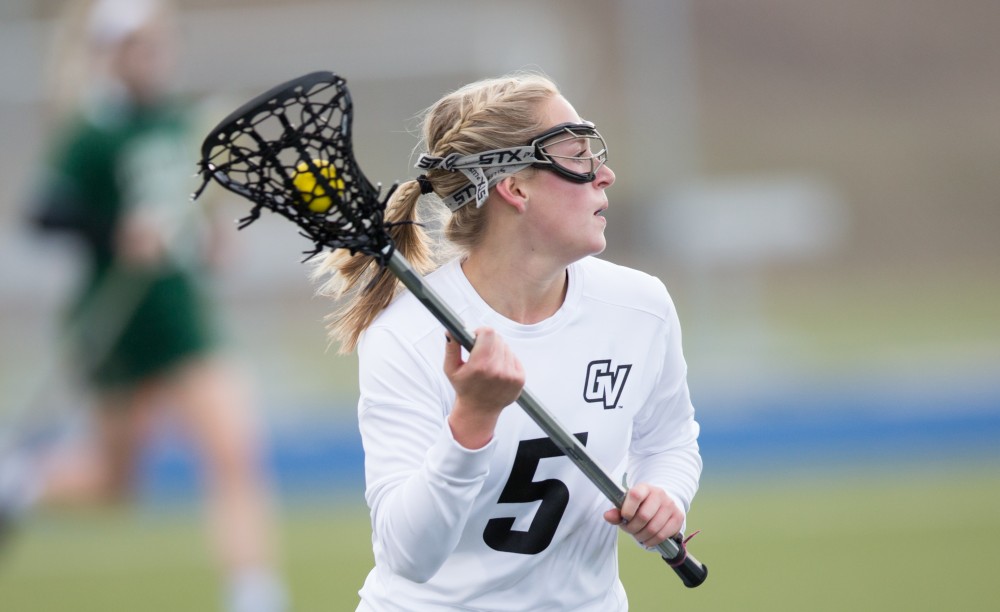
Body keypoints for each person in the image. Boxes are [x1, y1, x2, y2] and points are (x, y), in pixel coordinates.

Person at [313, 72, 703, 610]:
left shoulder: (640, 307)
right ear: (514, 186)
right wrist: (471, 423)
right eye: (576, 155)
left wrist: (665, 494)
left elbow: (669, 438)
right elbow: (408, 557)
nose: (605, 174)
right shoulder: (406, 336)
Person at [11, 2, 288, 611]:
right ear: (112, 54)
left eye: (159, 44)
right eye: (139, 46)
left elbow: (195, 212)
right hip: (120, 324)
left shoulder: (182, 124)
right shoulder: (93, 131)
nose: (154, 57)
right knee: (114, 484)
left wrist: (214, 239)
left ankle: (254, 592)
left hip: (180, 314)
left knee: (234, 449)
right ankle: (21, 485)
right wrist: (116, 231)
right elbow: (42, 213)